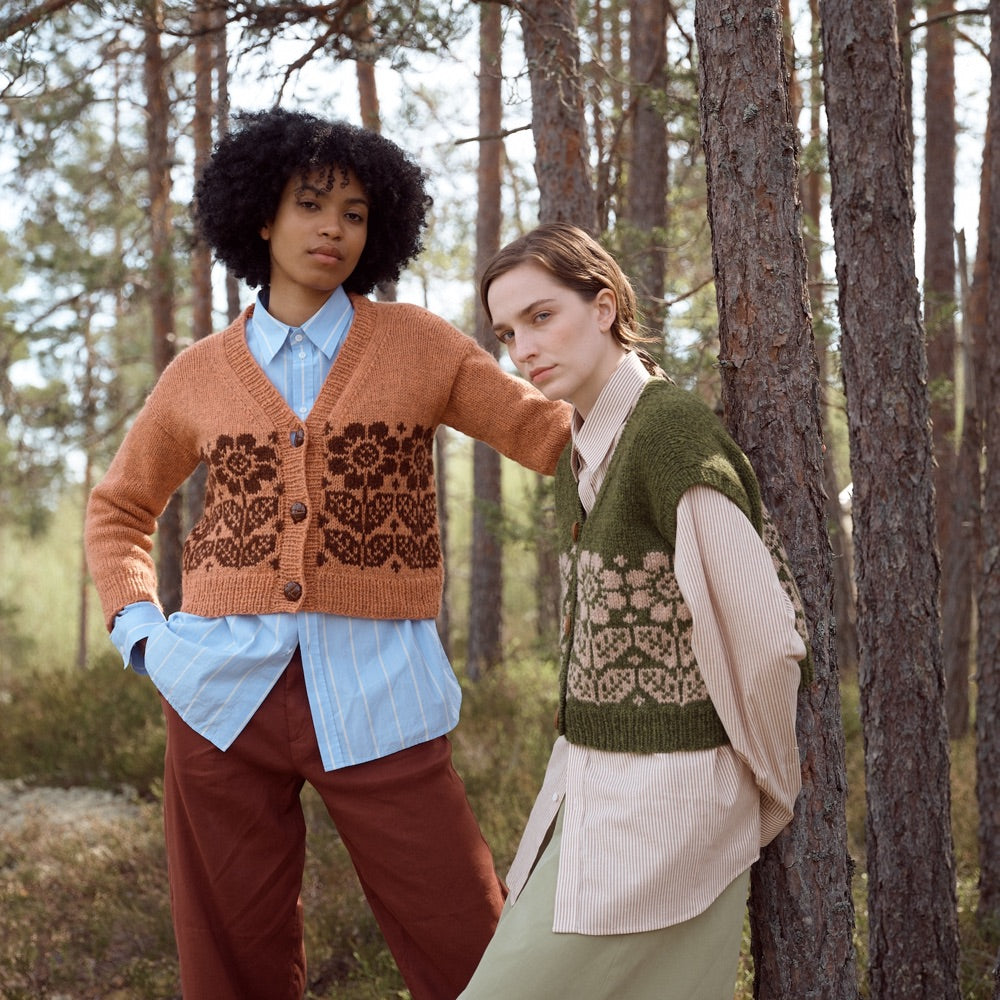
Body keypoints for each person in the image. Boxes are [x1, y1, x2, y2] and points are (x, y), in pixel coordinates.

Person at [84, 108, 571, 1000]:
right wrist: (144, 635)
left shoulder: (419, 345)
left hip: (380, 691)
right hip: (219, 696)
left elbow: (547, 435)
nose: (334, 230)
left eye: (354, 213)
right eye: (310, 205)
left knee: (471, 950)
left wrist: (646, 405)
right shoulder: (199, 373)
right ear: (261, 219)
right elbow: (119, 509)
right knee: (231, 966)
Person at [458, 222, 812, 1000]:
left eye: (541, 316)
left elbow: (765, 635)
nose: (523, 349)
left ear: (604, 306)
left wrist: (769, 789)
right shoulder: (585, 445)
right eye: (507, 333)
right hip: (594, 789)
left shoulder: (667, 434)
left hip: (669, 805)